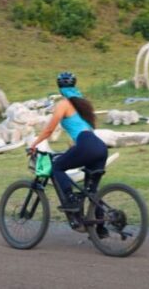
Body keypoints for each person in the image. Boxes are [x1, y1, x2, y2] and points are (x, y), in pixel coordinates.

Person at [29, 72, 108, 231]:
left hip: (86, 145)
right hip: (100, 147)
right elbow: (83, 133)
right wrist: (72, 150)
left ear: (60, 87)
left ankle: (70, 199)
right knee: (92, 192)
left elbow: (50, 129)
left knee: (57, 167)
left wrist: (34, 144)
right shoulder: (82, 105)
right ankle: (101, 229)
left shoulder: (63, 104)